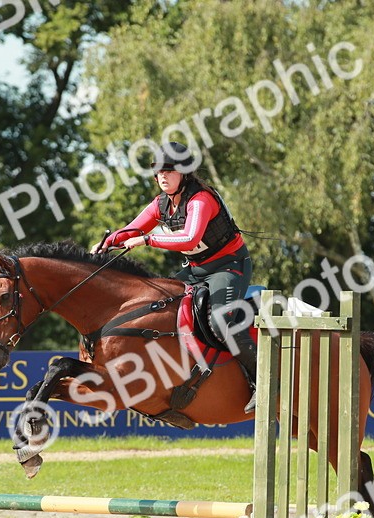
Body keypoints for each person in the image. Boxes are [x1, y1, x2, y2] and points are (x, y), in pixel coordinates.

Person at [96, 142, 258, 413]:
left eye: (169, 171)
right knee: (158, 302)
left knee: (219, 321)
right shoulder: (162, 204)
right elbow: (131, 229)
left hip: (229, 267)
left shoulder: (200, 200)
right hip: (196, 269)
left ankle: (263, 381)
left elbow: (190, 236)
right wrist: (106, 243)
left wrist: (147, 240)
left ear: (184, 173)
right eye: (159, 171)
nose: (162, 176)